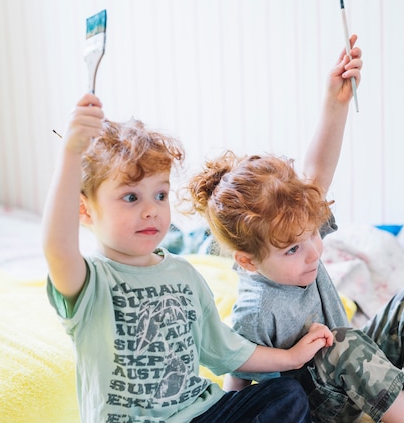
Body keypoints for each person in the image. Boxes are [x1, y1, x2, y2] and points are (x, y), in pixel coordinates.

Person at [184, 38, 404, 423]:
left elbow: (317, 172)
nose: (313, 251)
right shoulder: (255, 308)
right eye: (292, 250)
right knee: (340, 343)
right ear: (248, 261)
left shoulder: (297, 232)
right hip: (319, 407)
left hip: (356, 375)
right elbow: (238, 374)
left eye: (312, 234)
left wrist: (336, 103)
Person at [41, 93, 336, 423]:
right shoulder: (91, 282)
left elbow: (227, 351)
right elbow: (57, 247)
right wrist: (71, 153)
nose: (151, 210)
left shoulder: (183, 274)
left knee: (287, 396)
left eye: (160, 194)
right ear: (84, 209)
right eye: (130, 197)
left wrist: (292, 357)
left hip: (203, 413)